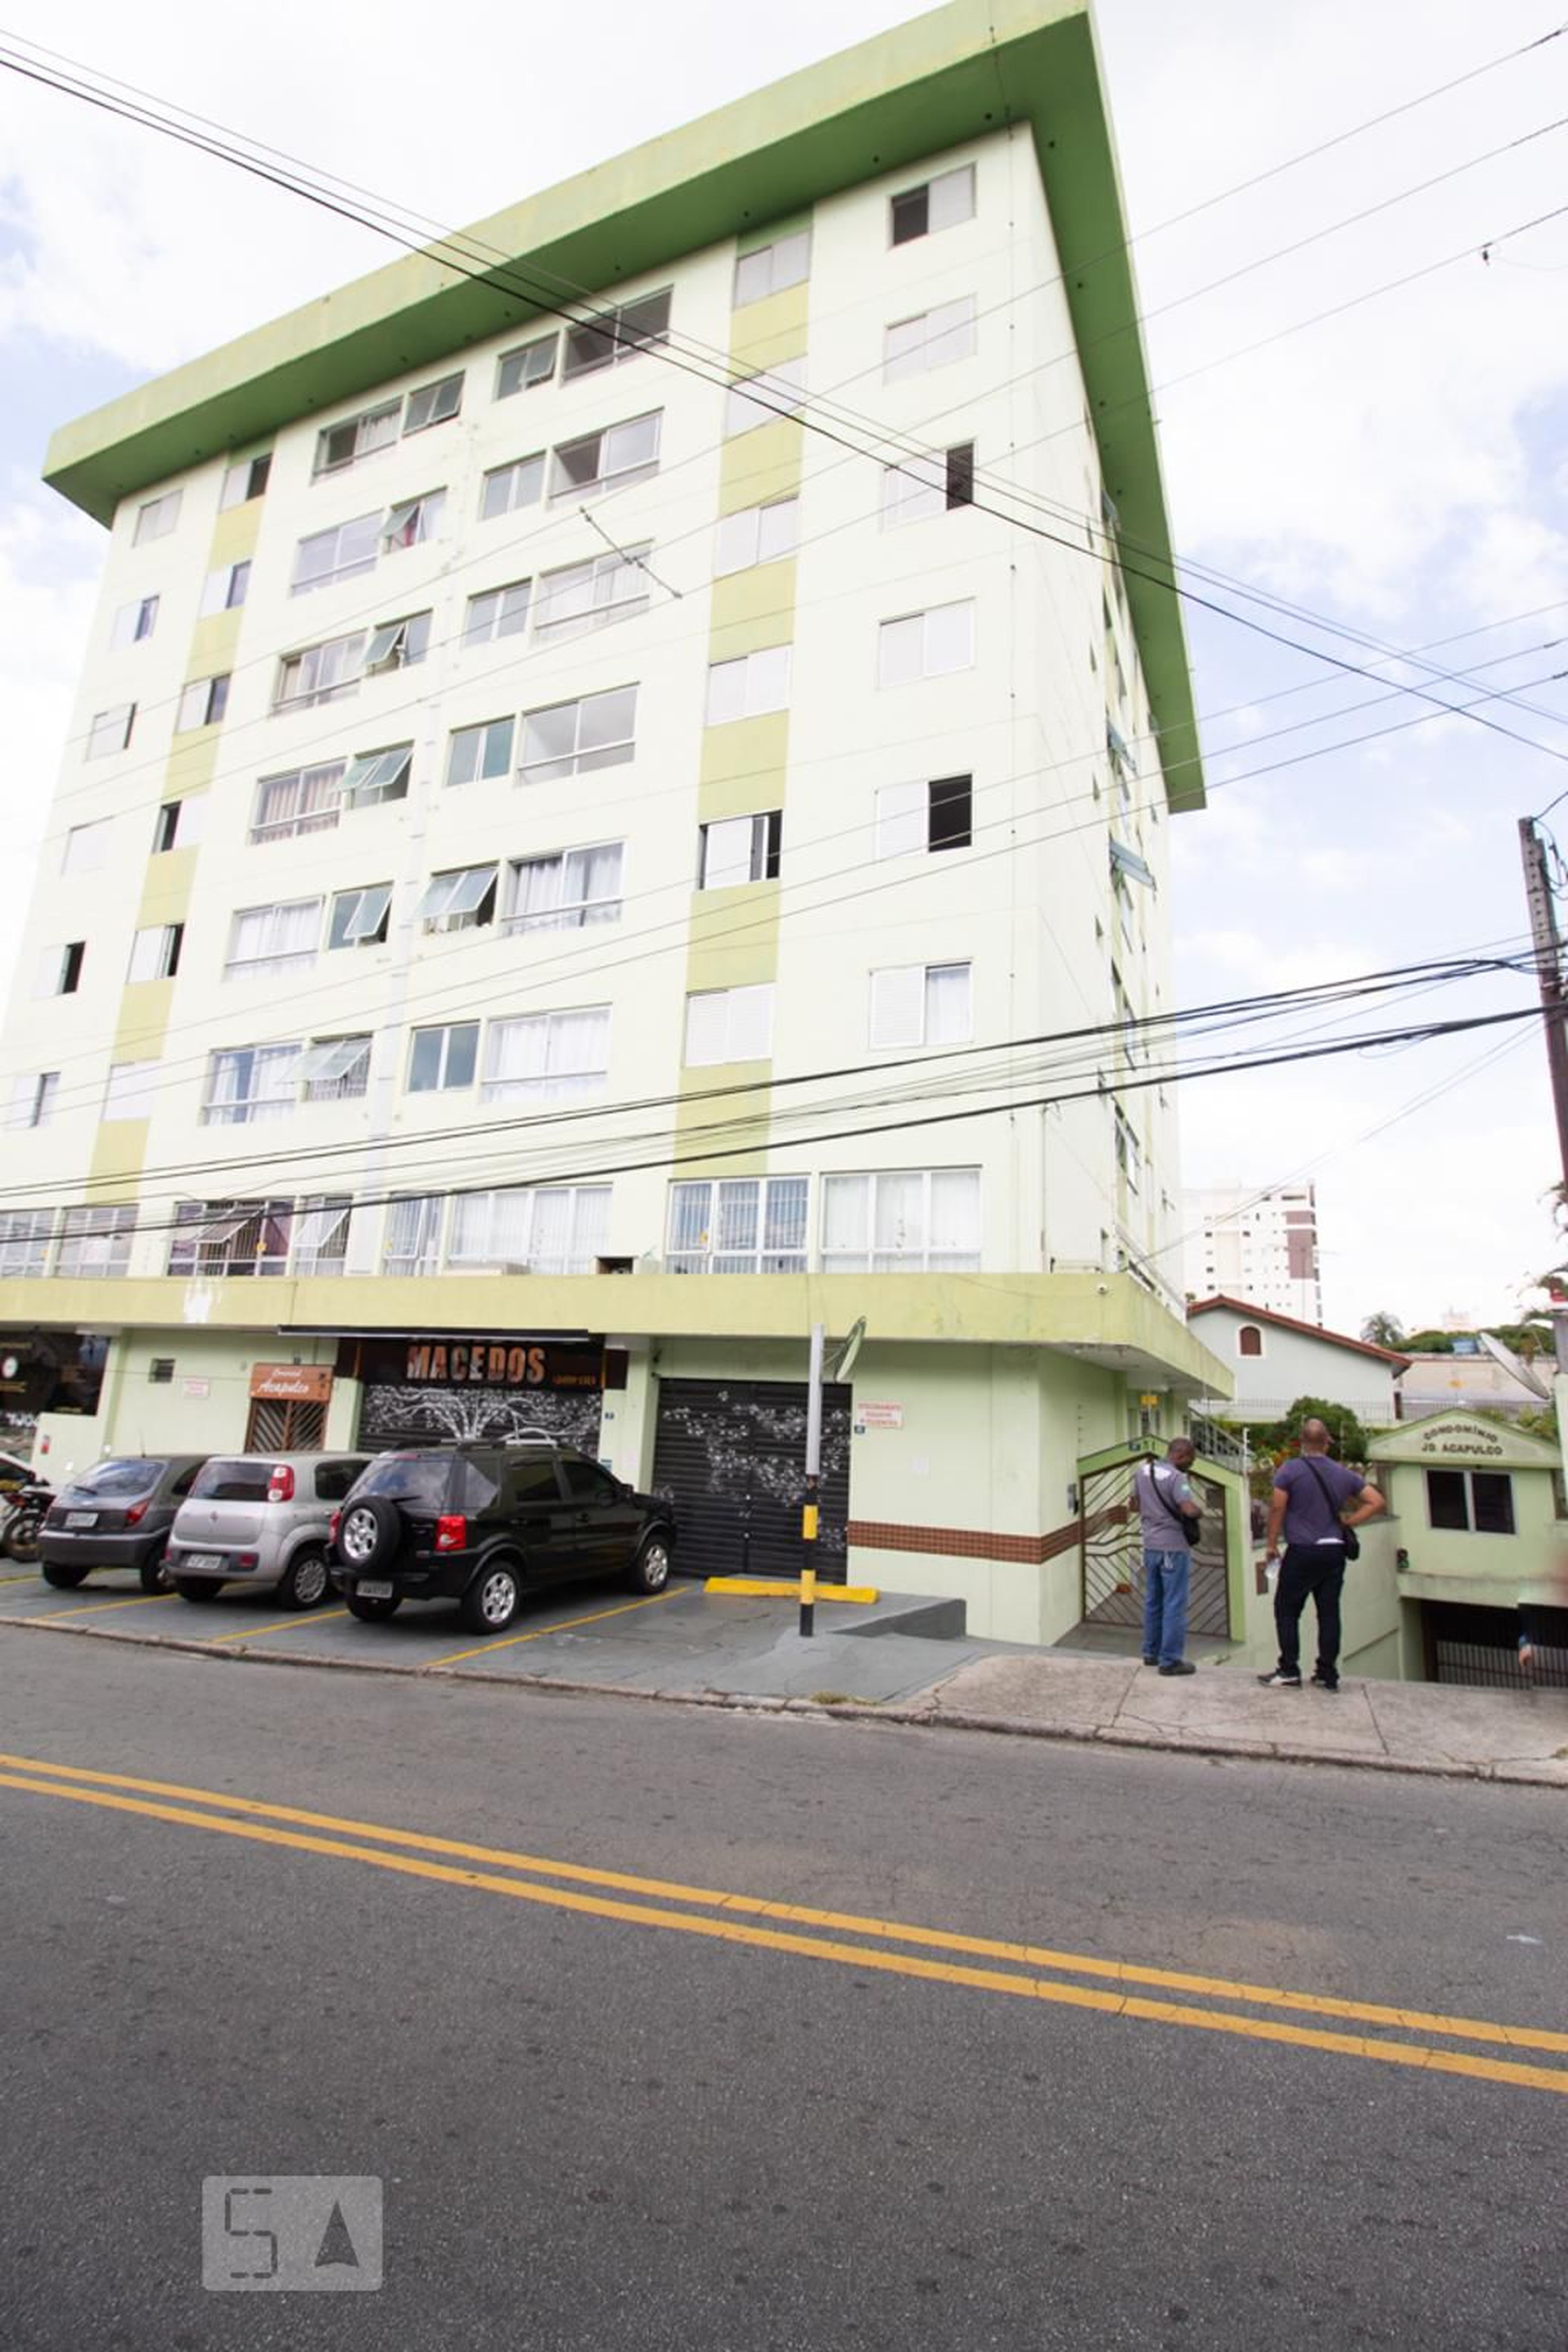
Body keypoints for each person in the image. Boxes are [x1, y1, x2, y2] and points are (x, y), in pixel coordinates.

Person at [1259, 1420, 1384, 1693]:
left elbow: (1278, 1507)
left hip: (1303, 1550)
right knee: (1329, 1613)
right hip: (1334, 1551)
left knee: (1287, 1610)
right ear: (1327, 1441)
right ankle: (1328, 1673)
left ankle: (1289, 1670)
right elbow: (1376, 1502)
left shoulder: (1289, 1471)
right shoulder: (1343, 1474)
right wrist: (1349, 1523)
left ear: (1301, 1442)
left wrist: (1271, 1543)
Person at [1134, 1437, 1201, 1675]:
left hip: (1151, 1546)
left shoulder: (1142, 1472)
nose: (1189, 1466)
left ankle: (1151, 1653)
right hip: (1173, 1547)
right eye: (1190, 1461)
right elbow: (1188, 1508)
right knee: (1175, 1603)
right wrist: (1198, 1511)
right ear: (1181, 1455)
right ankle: (1171, 1660)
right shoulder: (1178, 1478)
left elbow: (1134, 1504)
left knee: (1153, 1601)